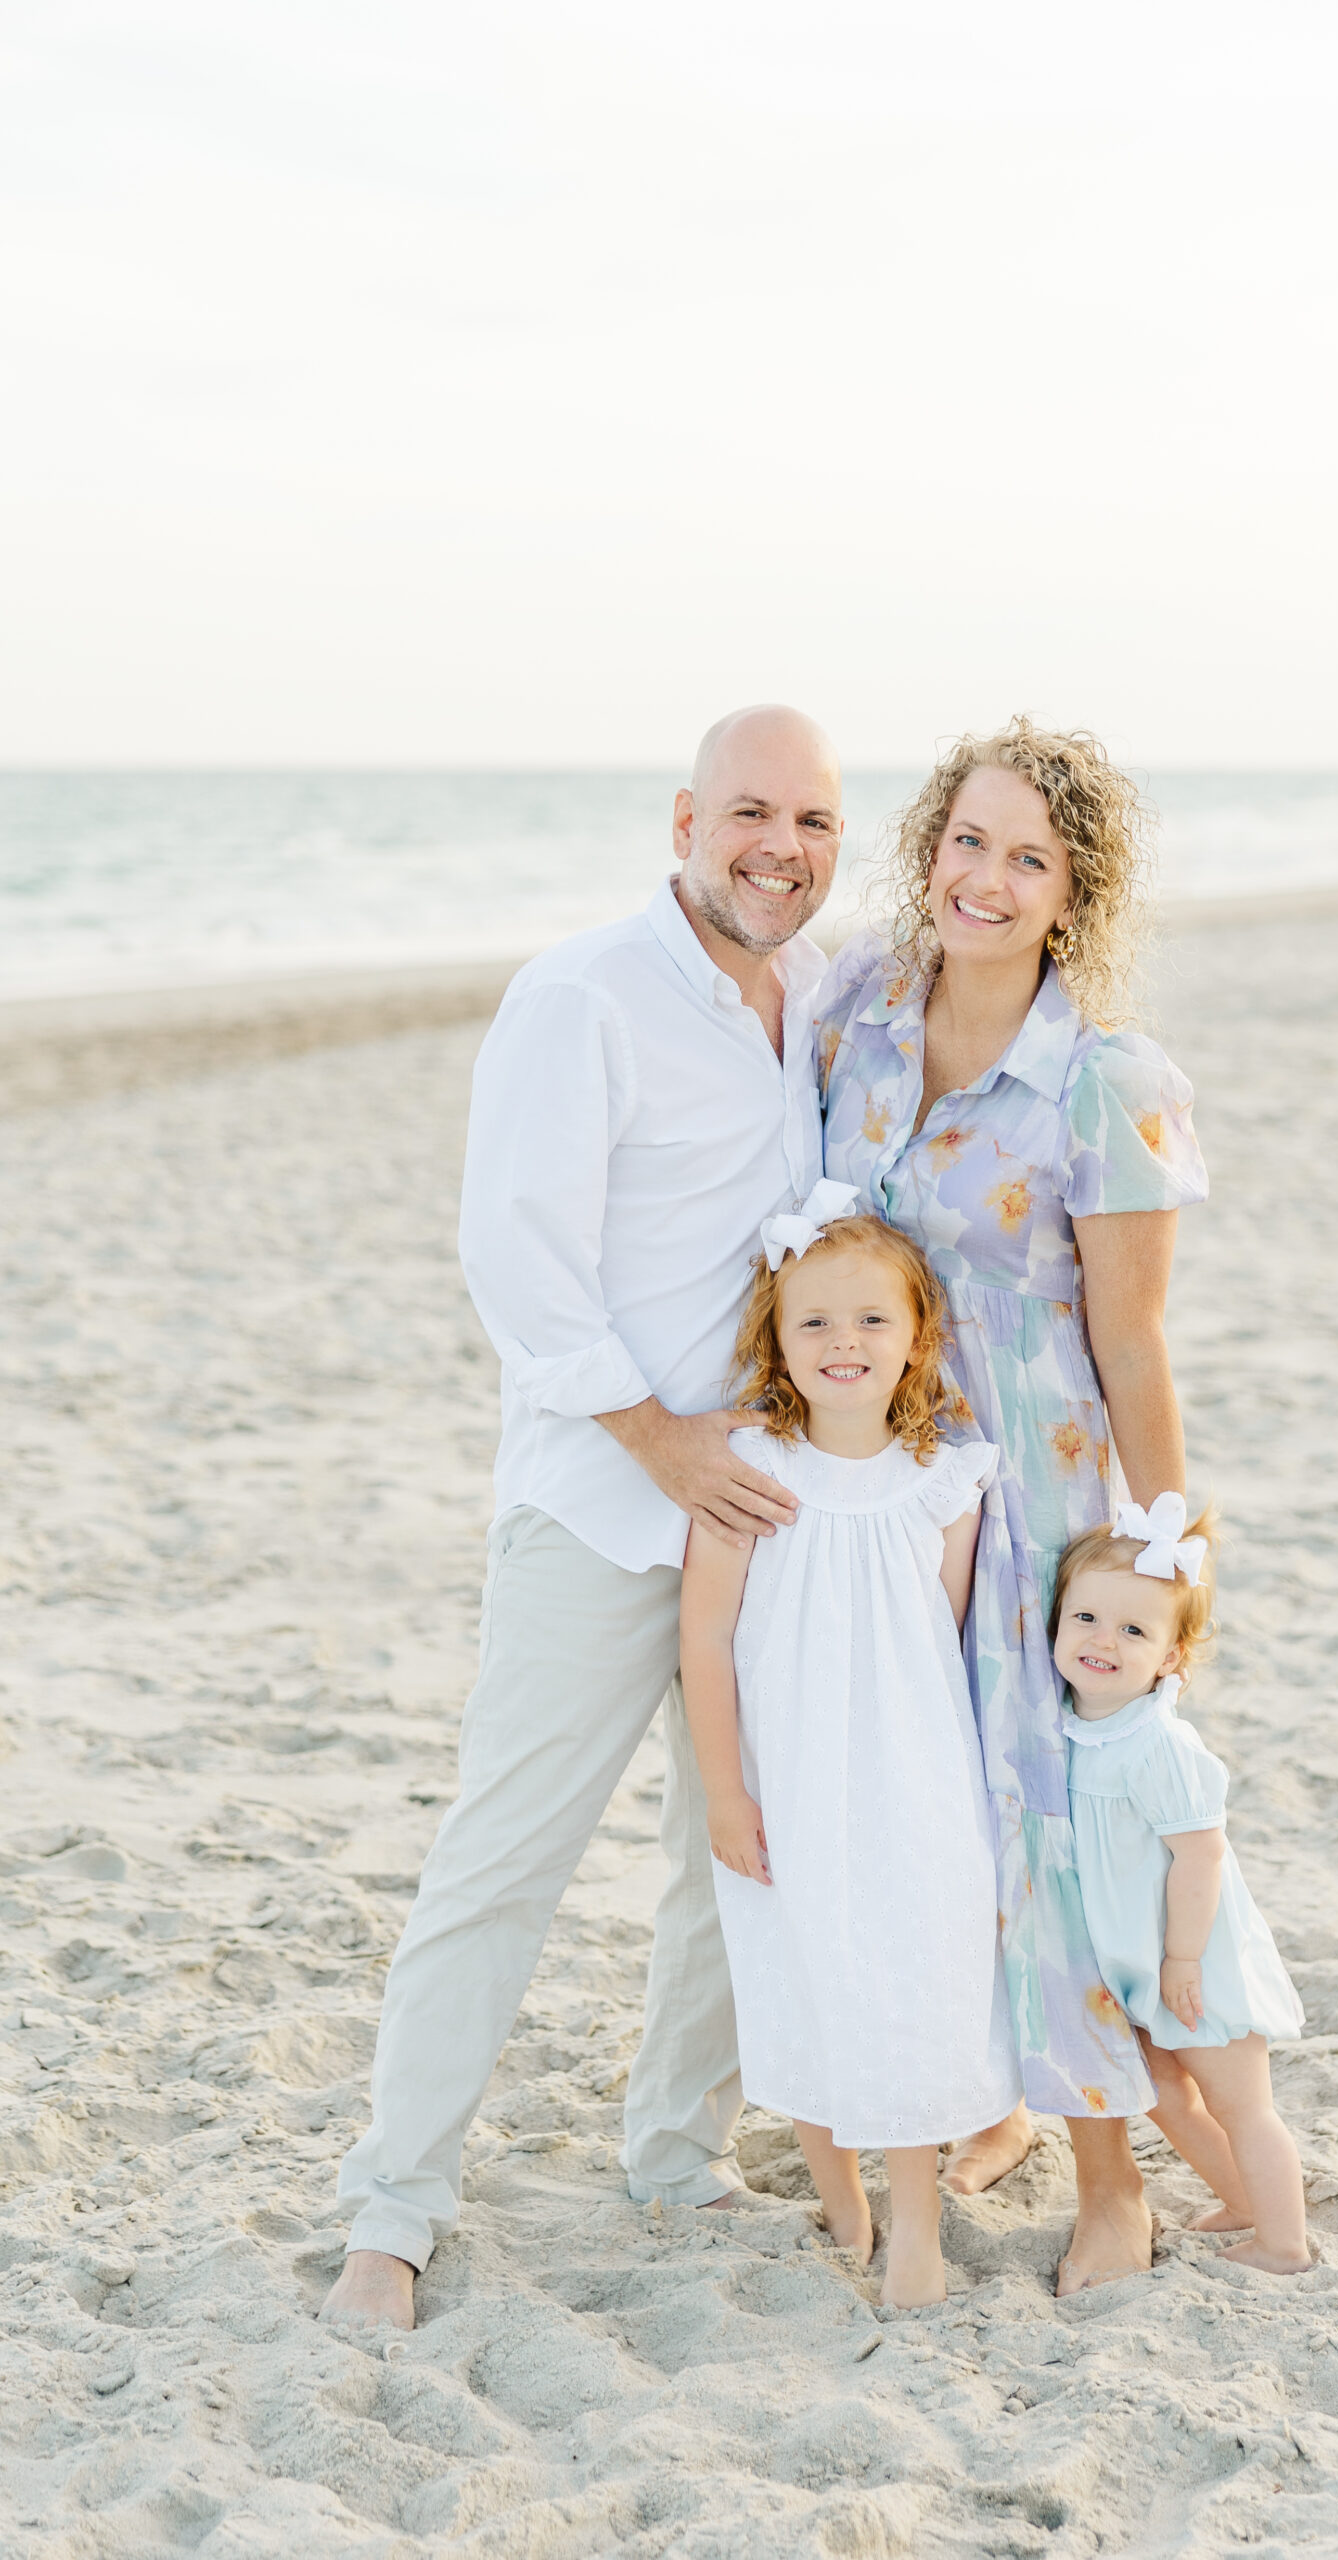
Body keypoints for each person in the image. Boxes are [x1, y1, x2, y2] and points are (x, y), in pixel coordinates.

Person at [321, 705, 844, 2332]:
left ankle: (675, 2148)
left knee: (732, 1853)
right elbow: (517, 1262)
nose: (780, 847)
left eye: (814, 822)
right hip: (599, 1507)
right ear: (682, 819)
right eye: (750, 812)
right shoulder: (580, 996)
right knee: (503, 1859)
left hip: (761, 1513)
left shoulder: (822, 987)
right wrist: (658, 1440)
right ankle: (390, 2211)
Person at [816, 716, 1209, 2293]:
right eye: (965, 841)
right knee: (913, 1819)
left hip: (1037, 1510)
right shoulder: (859, 1014)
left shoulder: (1105, 1084)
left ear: (1072, 894)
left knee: (1050, 1829)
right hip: (878, 1499)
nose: (984, 877)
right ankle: (979, 2094)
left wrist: (1167, 1547)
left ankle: (1109, 2176)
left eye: (1026, 857)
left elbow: (1128, 1339)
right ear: (928, 849)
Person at [680, 1197, 1020, 2306]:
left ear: (918, 1335)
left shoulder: (943, 1482)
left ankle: (916, 2222)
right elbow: (707, 1640)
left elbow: (953, 1646)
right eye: (814, 1323)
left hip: (914, 1779)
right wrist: (726, 1792)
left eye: (872, 1320)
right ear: (776, 1341)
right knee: (808, 1973)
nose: (844, 1344)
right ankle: (843, 2200)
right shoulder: (750, 1469)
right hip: (792, 1777)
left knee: (913, 1983)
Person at [1052, 1501, 1309, 2274]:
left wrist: (1184, 1960)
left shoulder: (1157, 1744)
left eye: (1133, 1631)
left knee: (1241, 2105)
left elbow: (1202, 1858)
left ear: (1171, 1657)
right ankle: (1239, 2198)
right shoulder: (1065, 1722)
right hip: (1138, 1965)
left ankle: (1283, 2243)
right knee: (1163, 2093)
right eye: (1087, 1617)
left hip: (1194, 1962)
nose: (1103, 1640)